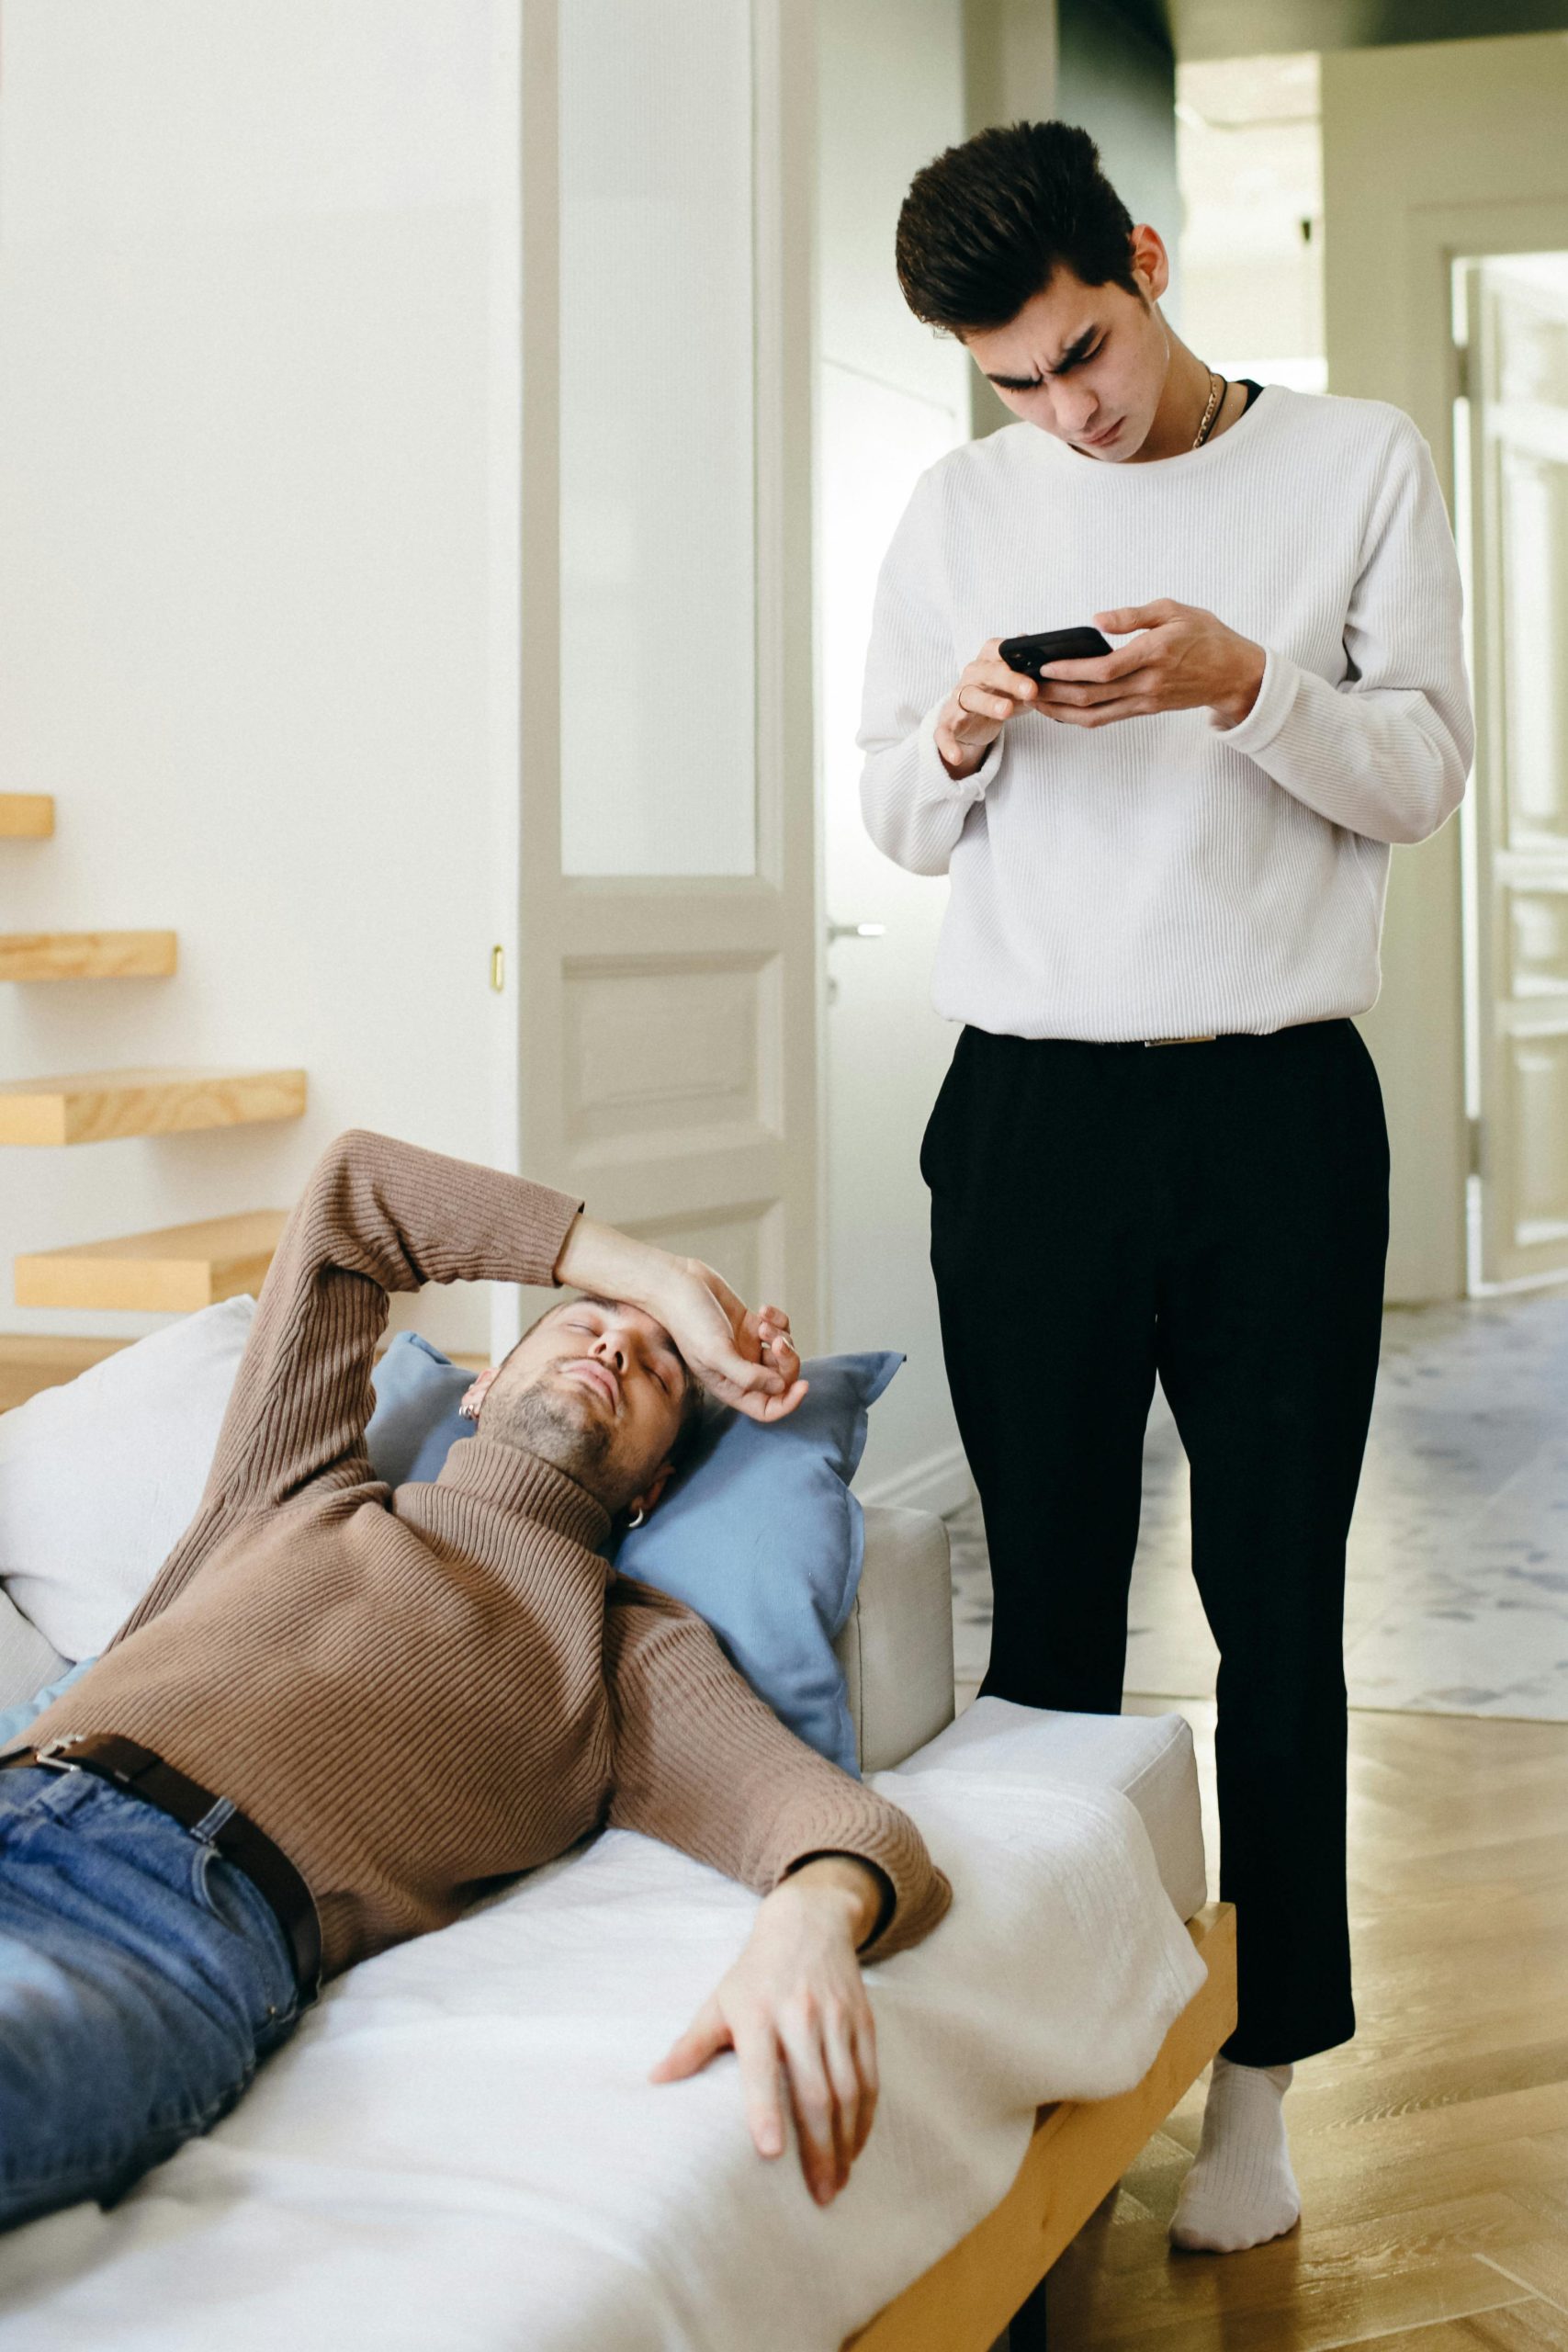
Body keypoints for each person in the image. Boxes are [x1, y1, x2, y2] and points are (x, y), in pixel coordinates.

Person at [859, 121, 1472, 2255]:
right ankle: (1053, 2067)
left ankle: (1256, 2079)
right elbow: (895, 821)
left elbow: (1417, 771)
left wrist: (1239, 683)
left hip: (1274, 1112)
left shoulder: (1358, 460)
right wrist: (955, 729)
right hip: (1026, 1118)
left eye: (1082, 351)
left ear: (1139, 256)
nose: (1066, 413)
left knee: (1274, 1608)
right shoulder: (957, 509)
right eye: (1012, 381)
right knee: (1040, 1625)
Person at [0, 1129, 951, 2233]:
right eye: (588, 1324)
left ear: (654, 1486)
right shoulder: (298, 1484)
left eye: (660, 1369)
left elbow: (831, 1819)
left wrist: (810, 1918)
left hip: (164, 1920)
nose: (619, 1345)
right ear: (482, 1387)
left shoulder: (626, 1656)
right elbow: (355, 1193)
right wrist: (661, 1287)